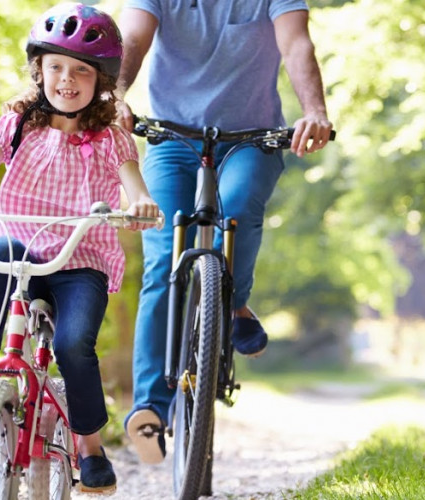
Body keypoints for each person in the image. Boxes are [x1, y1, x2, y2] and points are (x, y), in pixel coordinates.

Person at [0, 3, 160, 492]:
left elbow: (137, 189)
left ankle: (89, 449)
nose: (67, 79)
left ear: (102, 80)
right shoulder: (18, 124)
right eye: (56, 67)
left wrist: (143, 206)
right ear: (39, 70)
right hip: (21, 252)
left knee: (72, 345)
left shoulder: (111, 139)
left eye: (81, 71)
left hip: (79, 261)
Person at [114, 0, 334, 464]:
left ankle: (231, 302)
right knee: (162, 259)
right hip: (171, 138)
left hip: (250, 139)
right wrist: (115, 94)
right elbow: (133, 38)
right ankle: (149, 409)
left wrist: (314, 110)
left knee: (236, 209)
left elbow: (295, 43)